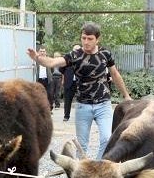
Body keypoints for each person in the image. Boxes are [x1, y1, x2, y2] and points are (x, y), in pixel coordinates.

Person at [27, 22, 131, 159]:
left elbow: (115, 74)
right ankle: (82, 171)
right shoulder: (75, 55)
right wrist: (37, 58)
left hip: (103, 104)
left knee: (107, 139)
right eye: (83, 38)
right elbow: (52, 62)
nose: (86, 42)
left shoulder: (105, 53)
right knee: (82, 144)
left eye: (90, 39)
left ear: (97, 39)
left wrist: (126, 95)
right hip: (83, 106)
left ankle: (97, 167)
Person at [61, 44, 81, 122]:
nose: (76, 52)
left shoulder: (83, 59)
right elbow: (61, 69)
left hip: (80, 83)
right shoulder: (68, 59)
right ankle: (66, 116)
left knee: (82, 101)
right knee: (67, 100)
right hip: (69, 82)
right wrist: (64, 78)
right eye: (75, 50)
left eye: (78, 50)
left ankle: (81, 117)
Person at [33, 45, 54, 111]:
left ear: (46, 52)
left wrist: (50, 76)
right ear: (38, 52)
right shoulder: (36, 60)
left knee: (49, 94)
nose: (42, 52)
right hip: (39, 80)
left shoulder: (48, 59)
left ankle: (50, 109)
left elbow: (52, 69)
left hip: (48, 80)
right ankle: (40, 109)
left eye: (43, 51)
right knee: (39, 94)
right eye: (41, 51)